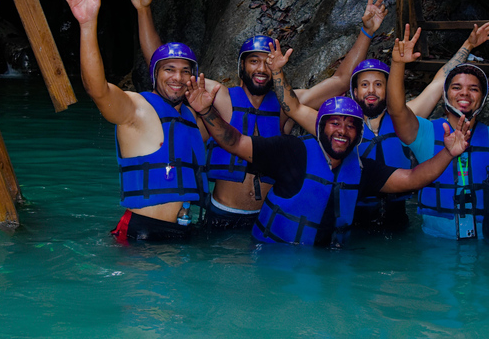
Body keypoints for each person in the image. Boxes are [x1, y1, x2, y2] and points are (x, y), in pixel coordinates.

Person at [129, 0, 388, 229]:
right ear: (241, 67)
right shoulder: (219, 97)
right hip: (222, 215)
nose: (261, 68)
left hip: (264, 218)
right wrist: (143, 10)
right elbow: (164, 67)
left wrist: (366, 31)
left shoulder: (288, 105)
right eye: (254, 61)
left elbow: (341, 81)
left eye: (268, 62)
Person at [185, 72, 472, 248]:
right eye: (334, 123)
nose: (342, 131)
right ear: (320, 126)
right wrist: (208, 112)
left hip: (324, 264)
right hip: (271, 258)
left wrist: (448, 153)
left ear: (358, 134)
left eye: (350, 125)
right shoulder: (290, 151)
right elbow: (234, 142)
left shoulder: (360, 171)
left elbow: (411, 179)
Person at [65, 0, 209, 242]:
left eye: (184, 71)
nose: (177, 77)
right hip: (143, 236)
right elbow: (97, 89)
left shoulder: (193, 118)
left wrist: (144, 10)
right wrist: (87, 25)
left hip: (185, 233)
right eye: (169, 69)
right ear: (155, 74)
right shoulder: (137, 110)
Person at [386, 24, 489, 240]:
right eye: (456, 87)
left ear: (483, 98)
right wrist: (398, 64)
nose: (464, 92)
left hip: (483, 248)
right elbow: (397, 111)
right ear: (445, 95)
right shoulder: (425, 132)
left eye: (473, 88)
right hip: (432, 246)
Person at [349, 21, 489, 231]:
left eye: (379, 84)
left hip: (397, 213)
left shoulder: (407, 116)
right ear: (354, 92)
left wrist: (469, 44)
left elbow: (440, 82)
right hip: (355, 212)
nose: (372, 91)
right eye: (364, 85)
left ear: (388, 88)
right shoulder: (343, 128)